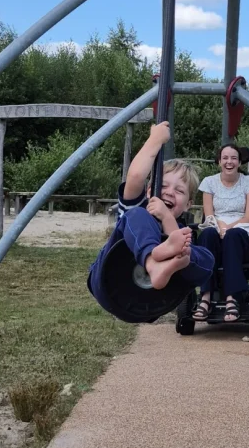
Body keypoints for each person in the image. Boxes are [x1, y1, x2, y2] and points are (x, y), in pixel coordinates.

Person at [87, 122, 215, 313]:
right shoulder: (138, 207)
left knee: (206, 258)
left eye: (179, 190)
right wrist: (155, 140)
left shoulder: (181, 231)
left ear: (189, 204)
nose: (170, 193)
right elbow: (136, 176)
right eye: (162, 186)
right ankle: (152, 262)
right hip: (108, 281)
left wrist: (167, 219)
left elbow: (196, 266)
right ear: (149, 191)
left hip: (147, 302)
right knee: (137, 215)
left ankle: (176, 258)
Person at [193, 144, 249, 322]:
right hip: (216, 224)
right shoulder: (209, 182)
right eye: (225, 158)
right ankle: (206, 297)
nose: (229, 162)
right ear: (219, 161)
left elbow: (248, 216)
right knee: (207, 234)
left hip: (242, 227)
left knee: (232, 236)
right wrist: (220, 226)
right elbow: (209, 215)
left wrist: (229, 228)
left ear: (239, 162)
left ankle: (232, 299)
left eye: (233, 158)